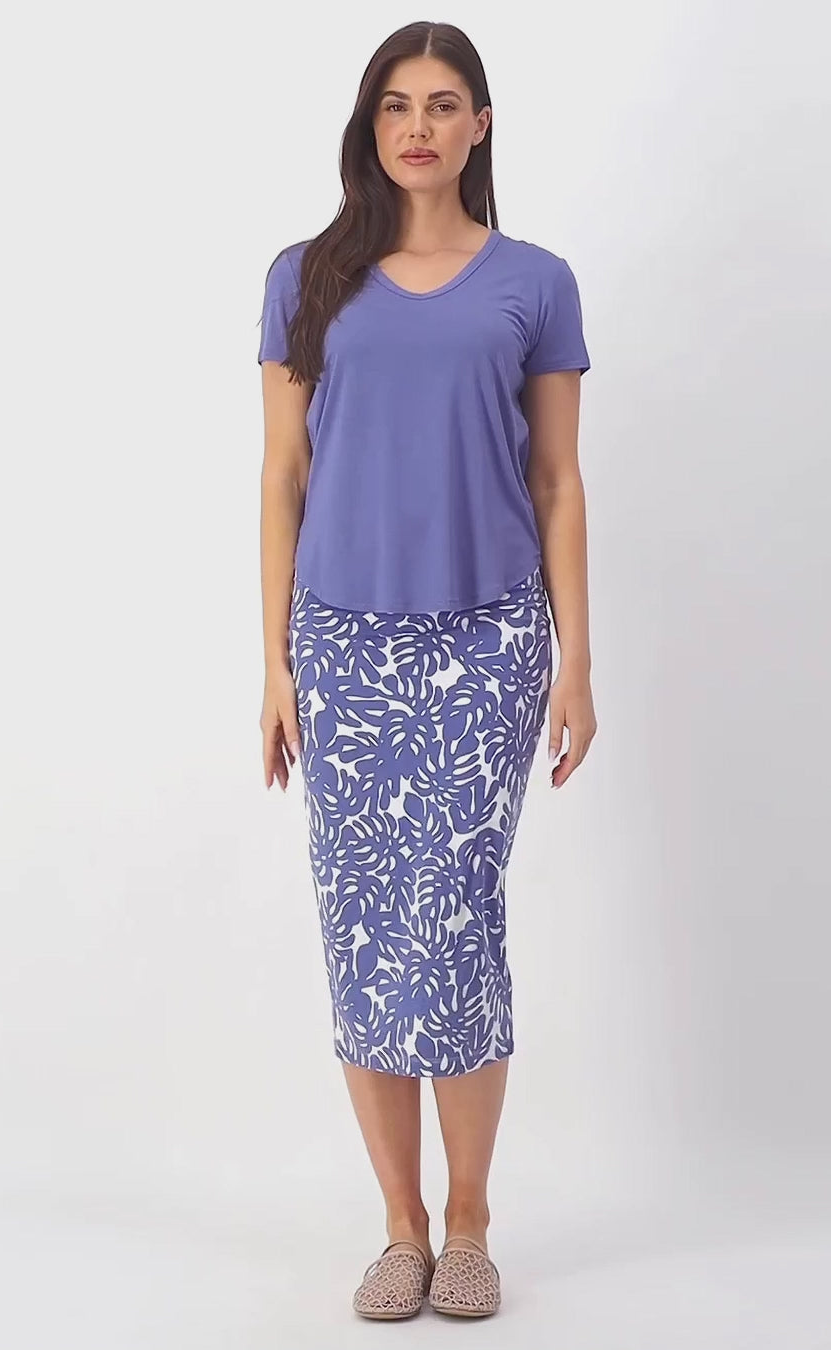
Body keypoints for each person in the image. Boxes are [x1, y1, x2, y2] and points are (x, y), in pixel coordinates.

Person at [256, 20, 597, 1321]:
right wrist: (275, 663)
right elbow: (282, 475)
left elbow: (557, 481)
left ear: (479, 126)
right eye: (398, 104)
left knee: (454, 922)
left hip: (488, 642)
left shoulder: (536, 283)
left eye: (444, 104)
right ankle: (399, 1226)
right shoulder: (305, 278)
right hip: (342, 645)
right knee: (361, 929)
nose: (419, 126)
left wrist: (577, 661)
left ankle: (470, 1221)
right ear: (371, 123)